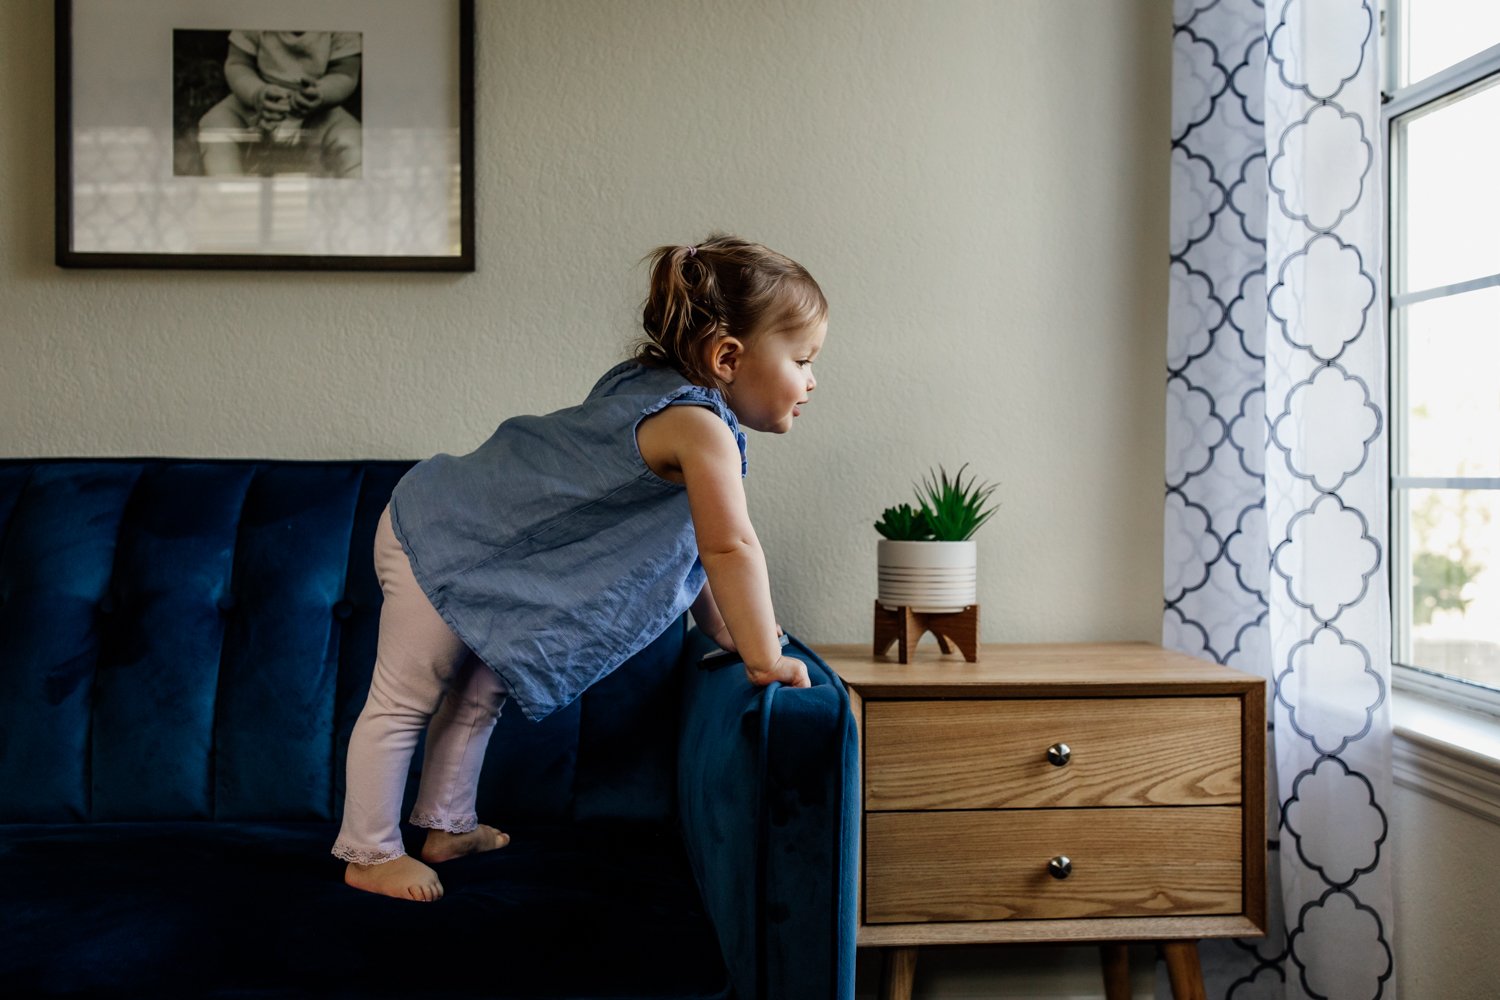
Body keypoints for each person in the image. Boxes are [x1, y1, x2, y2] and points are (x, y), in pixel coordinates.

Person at [332, 234, 826, 902]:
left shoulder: (665, 393)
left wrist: (731, 635)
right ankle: (370, 852)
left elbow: (687, 545)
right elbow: (729, 548)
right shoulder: (697, 424)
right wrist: (765, 658)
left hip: (488, 554)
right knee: (403, 699)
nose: (812, 380)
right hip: (441, 536)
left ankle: (447, 826)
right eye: (802, 359)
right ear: (728, 357)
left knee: (482, 691)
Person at [197, 30, 362, 178]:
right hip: (255, 101)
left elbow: (345, 72)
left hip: (318, 109)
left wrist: (322, 93)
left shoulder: (338, 15)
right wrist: (256, 93)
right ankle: (229, 193)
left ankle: (350, 202)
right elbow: (238, 63)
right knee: (216, 125)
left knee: (352, 138)